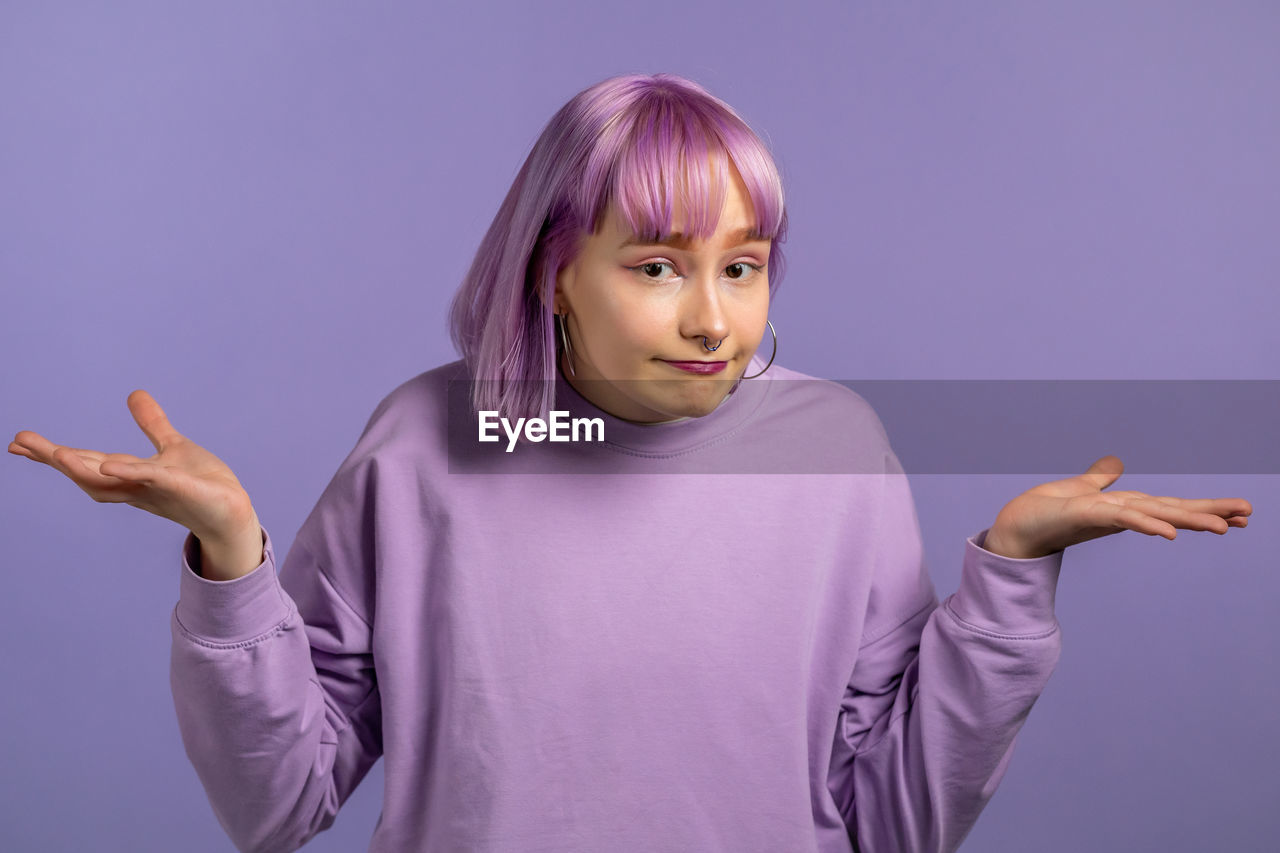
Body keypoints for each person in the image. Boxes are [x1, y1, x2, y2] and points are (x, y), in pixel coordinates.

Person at [7, 73, 1252, 853]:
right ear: (555, 269)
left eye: (743, 265)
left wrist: (1010, 578)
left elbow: (894, 821)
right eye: (656, 266)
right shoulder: (434, 442)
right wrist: (230, 564)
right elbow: (277, 809)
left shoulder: (827, 449)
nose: (713, 319)